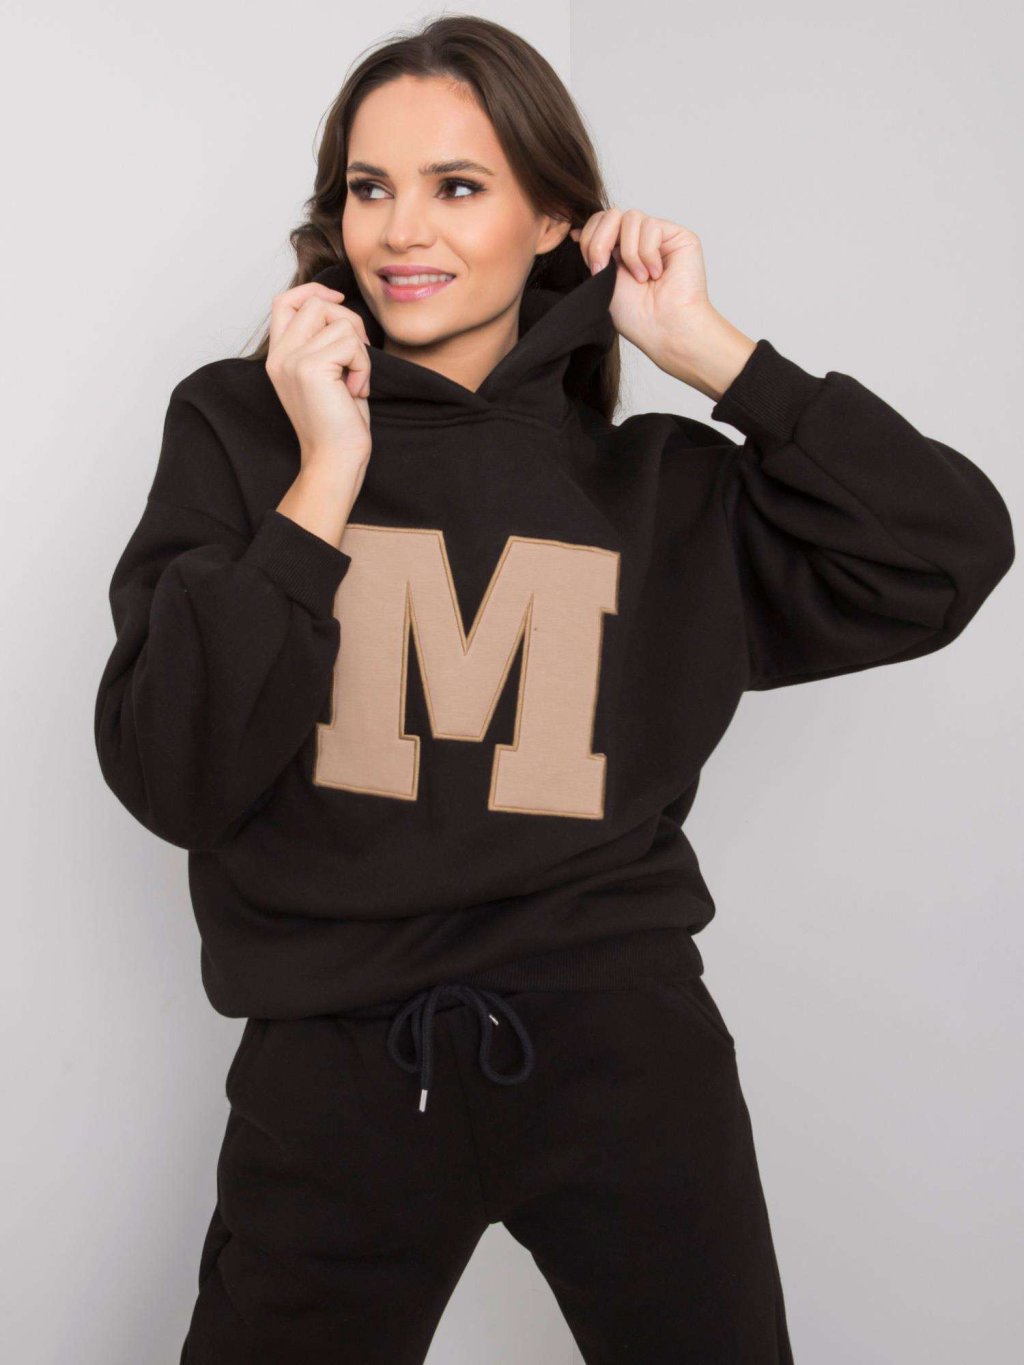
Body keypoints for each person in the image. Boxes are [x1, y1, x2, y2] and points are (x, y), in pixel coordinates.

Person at [93, 15, 1014, 1365]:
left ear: (551, 223)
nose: (402, 229)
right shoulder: (244, 432)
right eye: (369, 186)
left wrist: (716, 354)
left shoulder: (659, 488)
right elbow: (172, 771)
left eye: (458, 186)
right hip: (335, 1065)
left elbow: (946, 553)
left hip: (620, 1052)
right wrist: (326, 474)